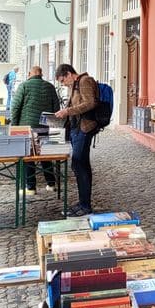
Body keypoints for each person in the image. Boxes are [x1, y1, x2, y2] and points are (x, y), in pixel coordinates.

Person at [54, 64, 99, 216]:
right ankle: (82, 202)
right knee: (78, 165)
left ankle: (85, 206)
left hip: (84, 128)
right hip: (76, 129)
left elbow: (90, 103)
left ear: (68, 74)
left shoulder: (85, 81)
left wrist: (68, 111)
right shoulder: (75, 85)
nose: (63, 84)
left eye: (62, 80)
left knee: (80, 164)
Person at [10, 66, 60, 194]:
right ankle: (51, 184)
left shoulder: (24, 86)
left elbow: (15, 107)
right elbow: (56, 107)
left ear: (29, 74)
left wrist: (14, 126)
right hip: (45, 126)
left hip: (28, 127)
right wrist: (52, 125)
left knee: (29, 156)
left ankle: (31, 187)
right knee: (45, 154)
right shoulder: (50, 87)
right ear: (41, 74)